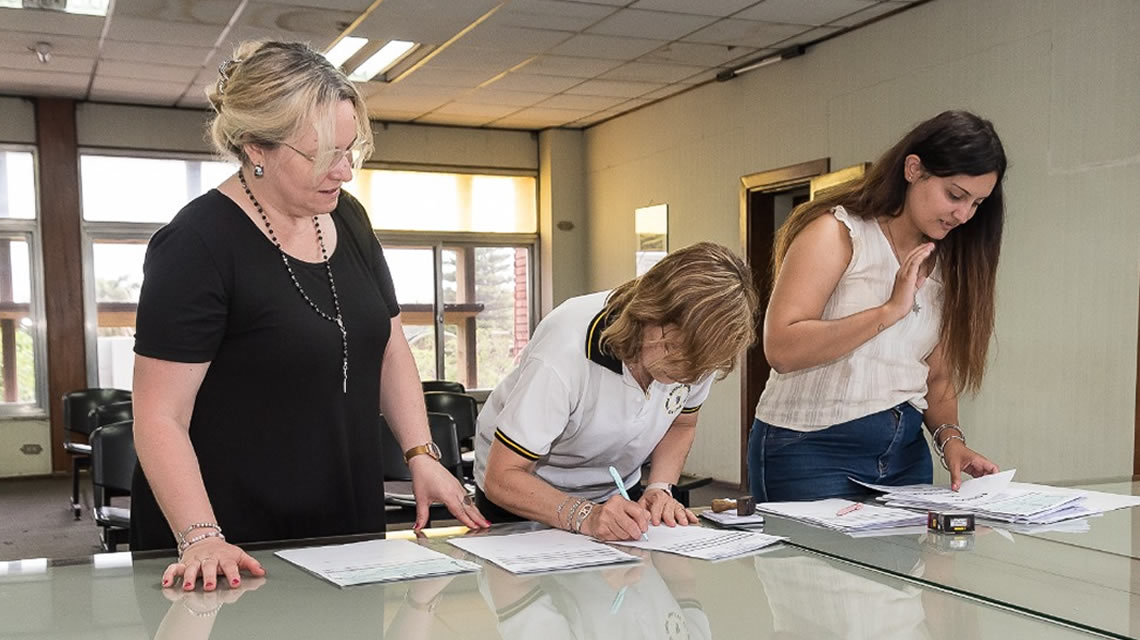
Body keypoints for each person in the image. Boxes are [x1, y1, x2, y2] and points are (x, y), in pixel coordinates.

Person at [129, 40, 488, 591]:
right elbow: (158, 416)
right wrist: (201, 535)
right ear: (257, 148)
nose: (343, 171)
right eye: (323, 155)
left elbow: (388, 344)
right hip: (226, 535)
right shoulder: (196, 243)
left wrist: (420, 452)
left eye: (350, 151)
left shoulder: (349, 217)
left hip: (342, 511)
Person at [748, 110, 1006, 502]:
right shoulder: (836, 233)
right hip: (811, 451)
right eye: (955, 195)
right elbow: (781, 348)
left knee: (901, 565)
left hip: (903, 456)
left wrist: (951, 440)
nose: (964, 214)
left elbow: (936, 378)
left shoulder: (952, 262)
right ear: (913, 169)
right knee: (813, 566)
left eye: (977, 203)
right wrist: (888, 312)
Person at [474, 242, 759, 540]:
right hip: (525, 490)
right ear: (651, 312)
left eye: (697, 367)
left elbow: (682, 423)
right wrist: (585, 515)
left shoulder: (699, 352)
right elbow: (503, 478)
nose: (686, 374)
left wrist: (659, 488)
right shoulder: (565, 347)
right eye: (674, 351)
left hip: (614, 492)